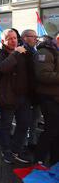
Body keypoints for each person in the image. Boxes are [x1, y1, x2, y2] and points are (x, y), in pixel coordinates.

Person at [0, 29, 33, 164]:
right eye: (10, 38)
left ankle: (16, 149)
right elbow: (2, 68)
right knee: (6, 125)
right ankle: (6, 150)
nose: (13, 41)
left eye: (15, 38)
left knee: (24, 123)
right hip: (7, 97)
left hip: (23, 97)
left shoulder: (23, 52)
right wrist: (15, 53)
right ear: (3, 41)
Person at [34, 35, 59, 166]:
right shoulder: (44, 52)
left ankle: (55, 160)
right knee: (51, 129)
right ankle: (39, 159)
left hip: (55, 97)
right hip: (49, 97)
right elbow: (43, 75)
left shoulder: (54, 51)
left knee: (56, 130)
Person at [20, 29, 40, 150]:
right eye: (33, 36)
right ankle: (22, 145)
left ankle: (32, 141)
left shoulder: (34, 51)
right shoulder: (21, 51)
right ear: (25, 38)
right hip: (26, 92)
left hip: (35, 92)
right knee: (24, 121)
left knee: (35, 118)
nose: (36, 39)